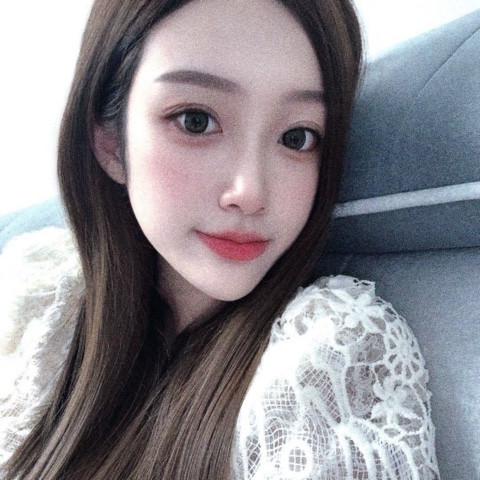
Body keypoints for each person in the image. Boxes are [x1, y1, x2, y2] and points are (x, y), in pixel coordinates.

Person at [0, 0, 440, 478]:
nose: (250, 193)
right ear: (109, 142)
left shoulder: (325, 355)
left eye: (297, 137)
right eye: (196, 120)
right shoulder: (44, 304)